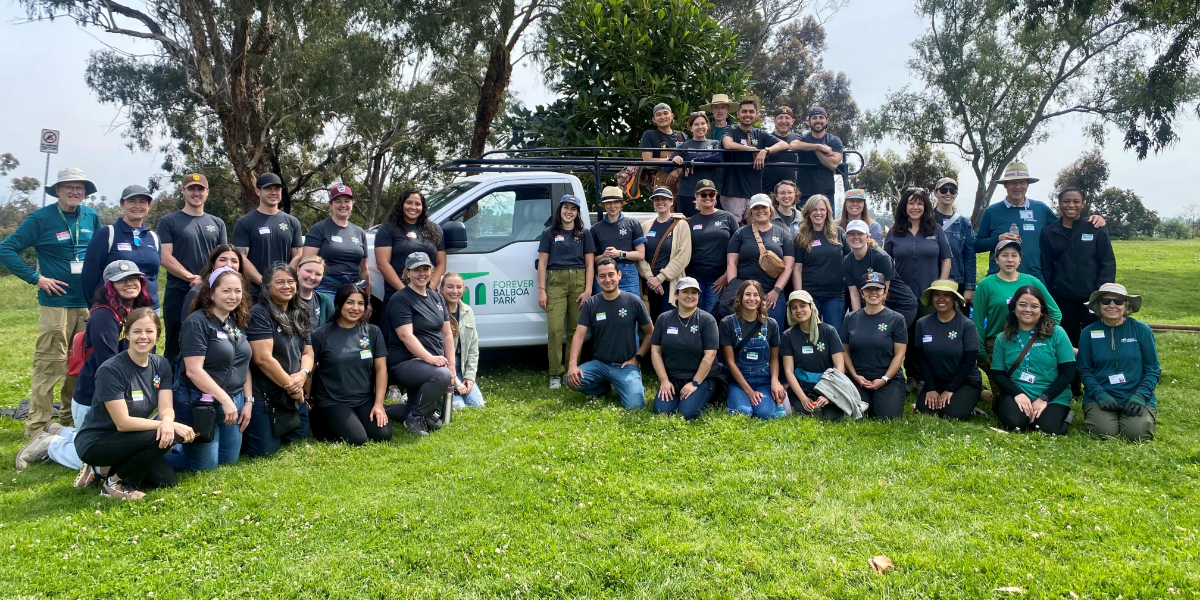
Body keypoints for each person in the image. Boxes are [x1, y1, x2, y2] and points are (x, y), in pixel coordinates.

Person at [16, 261, 152, 476]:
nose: (129, 283)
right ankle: (51, 445)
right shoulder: (104, 316)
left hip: (115, 392)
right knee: (106, 456)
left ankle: (61, 432)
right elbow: (110, 364)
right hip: (94, 398)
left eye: (133, 278)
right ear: (110, 285)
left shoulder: (135, 311)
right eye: (121, 280)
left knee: (119, 441)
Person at [0, 168, 103, 436]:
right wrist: (36, 278)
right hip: (56, 304)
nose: (74, 191)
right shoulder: (40, 218)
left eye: (79, 187)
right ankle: (37, 425)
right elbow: (6, 249)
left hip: (87, 304)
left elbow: (100, 252)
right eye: (68, 186)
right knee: (51, 363)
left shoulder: (91, 216)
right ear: (57, 190)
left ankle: (69, 416)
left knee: (79, 363)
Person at [73, 308, 193, 500]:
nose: (143, 337)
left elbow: (166, 408)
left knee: (166, 480)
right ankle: (115, 483)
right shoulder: (111, 370)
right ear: (126, 334)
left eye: (149, 331)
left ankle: (102, 470)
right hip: (98, 441)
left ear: (158, 335)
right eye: (137, 331)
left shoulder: (161, 365)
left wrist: (168, 421)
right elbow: (123, 423)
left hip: (131, 438)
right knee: (159, 436)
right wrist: (168, 425)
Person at [170, 266, 253, 471]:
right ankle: (135, 458)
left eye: (237, 291)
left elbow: (243, 363)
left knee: (227, 462)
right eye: (226, 290)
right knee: (204, 468)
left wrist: (248, 401)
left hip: (233, 401)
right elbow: (193, 370)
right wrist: (225, 400)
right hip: (199, 402)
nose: (233, 296)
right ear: (211, 293)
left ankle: (181, 446)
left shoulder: (236, 320)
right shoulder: (197, 322)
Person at [973, 161, 1106, 282]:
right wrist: (998, 239)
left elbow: (1065, 227)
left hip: (1035, 278)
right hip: (999, 278)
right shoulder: (992, 211)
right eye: (1013, 182)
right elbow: (977, 245)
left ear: (1027, 185)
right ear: (1005, 185)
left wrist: (1090, 220)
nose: (1017, 186)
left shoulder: (1040, 208)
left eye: (1022, 182)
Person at [973, 240, 1061, 400]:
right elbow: (977, 321)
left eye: (1014, 255)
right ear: (996, 259)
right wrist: (981, 353)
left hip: (1029, 342)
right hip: (997, 345)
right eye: (1004, 255)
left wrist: (1042, 334)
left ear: (1020, 259)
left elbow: (1055, 313)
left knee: (1029, 391)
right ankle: (983, 393)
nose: (1009, 260)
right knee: (1003, 398)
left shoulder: (1031, 282)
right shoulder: (986, 285)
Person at [308, 284, 392, 445]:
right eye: (350, 302)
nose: (355, 308)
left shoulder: (373, 332)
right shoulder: (320, 335)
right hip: (332, 400)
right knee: (358, 439)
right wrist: (307, 401)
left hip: (363, 399)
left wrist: (379, 404)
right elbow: (310, 369)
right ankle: (320, 421)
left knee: (382, 435)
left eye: (360, 303)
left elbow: (381, 369)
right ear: (339, 304)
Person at [383, 252, 455, 437]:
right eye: (416, 270)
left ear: (431, 271)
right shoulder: (401, 299)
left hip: (429, 364)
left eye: (425, 269)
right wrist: (430, 359)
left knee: (441, 377)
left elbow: (447, 333)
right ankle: (415, 417)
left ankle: (391, 410)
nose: (421, 274)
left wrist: (452, 366)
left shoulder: (437, 298)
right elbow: (406, 336)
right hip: (405, 362)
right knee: (441, 375)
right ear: (407, 272)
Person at [158, 173, 227, 367]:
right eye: (191, 189)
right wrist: (191, 277)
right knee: (175, 343)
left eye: (200, 189)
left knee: (210, 341)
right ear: (183, 191)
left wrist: (206, 280)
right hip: (178, 291)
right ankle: (170, 391)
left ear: (207, 192)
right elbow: (164, 256)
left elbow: (223, 258)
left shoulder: (217, 223)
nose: (196, 193)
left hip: (210, 292)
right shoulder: (169, 221)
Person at [566, 257, 654, 410]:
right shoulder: (591, 304)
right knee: (571, 381)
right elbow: (578, 336)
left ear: (619, 275)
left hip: (625, 365)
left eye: (611, 274)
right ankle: (604, 388)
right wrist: (572, 365)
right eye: (602, 276)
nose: (607, 279)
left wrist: (637, 358)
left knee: (635, 406)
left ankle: (623, 385)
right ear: (597, 279)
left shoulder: (633, 301)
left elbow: (650, 333)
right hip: (600, 364)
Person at [885, 187, 952, 387]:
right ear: (904, 206)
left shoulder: (935, 230)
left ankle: (926, 376)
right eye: (911, 203)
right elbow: (885, 262)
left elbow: (946, 259)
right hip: (901, 296)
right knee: (905, 335)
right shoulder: (894, 232)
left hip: (929, 294)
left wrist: (941, 286)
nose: (915, 207)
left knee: (927, 337)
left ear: (926, 206)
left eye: (920, 203)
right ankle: (907, 377)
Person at [245, 264, 313, 456]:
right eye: (280, 282)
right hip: (265, 392)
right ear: (267, 287)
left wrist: (303, 374)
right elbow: (262, 359)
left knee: (299, 437)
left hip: (292, 389)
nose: (287, 286)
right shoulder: (259, 313)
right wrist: (293, 386)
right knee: (265, 451)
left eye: (291, 281)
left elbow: (308, 352)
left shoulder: (301, 310)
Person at [1078, 284, 1160, 441]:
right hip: (1101, 396)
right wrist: (1100, 394)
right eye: (1106, 301)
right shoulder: (1088, 332)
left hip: (1135, 394)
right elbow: (1084, 370)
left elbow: (1153, 369)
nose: (1112, 305)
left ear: (1126, 305)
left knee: (1136, 435)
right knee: (1104, 433)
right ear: (1098, 305)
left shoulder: (1141, 330)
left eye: (1118, 301)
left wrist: (1141, 396)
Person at [990, 286, 1076, 435]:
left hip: (1052, 394)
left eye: (1034, 306)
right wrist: (1018, 394)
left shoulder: (1057, 333)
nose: (1027, 309)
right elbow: (998, 374)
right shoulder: (1003, 338)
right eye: (1022, 304)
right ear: (1013, 307)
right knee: (1013, 425)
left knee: (1049, 430)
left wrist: (1044, 397)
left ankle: (1065, 414)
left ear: (1041, 309)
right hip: (1019, 391)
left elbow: (1068, 372)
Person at [1040, 187, 1116, 348]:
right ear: (1059, 204)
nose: (1071, 205)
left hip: (1092, 297)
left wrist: (1101, 294)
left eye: (1076, 201)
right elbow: (1047, 267)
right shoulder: (1049, 232)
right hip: (1063, 297)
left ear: (1083, 204)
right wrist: (1052, 294)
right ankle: (1072, 371)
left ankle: (1095, 370)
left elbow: (1107, 263)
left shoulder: (1096, 229)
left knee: (1096, 336)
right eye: (1066, 201)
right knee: (1068, 338)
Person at [538, 194, 595, 390]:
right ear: (560, 210)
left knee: (575, 330)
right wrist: (542, 290)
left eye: (573, 208)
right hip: (555, 282)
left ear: (578, 212)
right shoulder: (549, 233)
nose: (569, 212)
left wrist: (588, 290)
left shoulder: (584, 234)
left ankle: (572, 369)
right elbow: (542, 264)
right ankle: (555, 372)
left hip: (579, 282)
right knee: (554, 329)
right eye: (566, 207)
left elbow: (590, 264)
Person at [839, 272, 908, 419]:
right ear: (862, 293)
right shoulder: (850, 318)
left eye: (877, 289)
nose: (873, 293)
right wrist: (855, 376)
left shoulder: (897, 319)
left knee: (887, 417)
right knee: (857, 416)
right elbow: (844, 351)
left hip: (888, 377)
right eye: (868, 289)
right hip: (859, 377)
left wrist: (884, 379)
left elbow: (900, 355)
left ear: (885, 292)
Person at [81, 185, 161, 309]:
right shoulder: (107, 234)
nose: (137, 206)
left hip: (148, 309)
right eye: (131, 201)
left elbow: (153, 275)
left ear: (149, 206)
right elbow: (88, 275)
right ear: (122, 204)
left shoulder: (154, 238)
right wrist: (94, 307)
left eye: (142, 202)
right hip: (113, 308)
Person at [650, 278, 718, 420]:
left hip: (700, 378)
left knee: (686, 414)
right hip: (672, 378)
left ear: (699, 296)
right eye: (685, 291)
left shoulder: (707, 320)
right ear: (676, 294)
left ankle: (701, 397)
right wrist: (664, 381)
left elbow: (709, 356)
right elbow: (655, 352)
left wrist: (694, 383)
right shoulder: (663, 319)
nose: (690, 296)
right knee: (661, 411)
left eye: (694, 292)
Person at [914, 280, 983, 421]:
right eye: (936, 294)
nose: (941, 299)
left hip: (965, 380)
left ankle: (974, 397)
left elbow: (969, 361)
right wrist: (931, 388)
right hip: (937, 380)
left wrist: (950, 389)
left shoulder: (967, 325)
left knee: (951, 414)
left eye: (946, 295)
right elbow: (921, 358)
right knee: (925, 410)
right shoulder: (922, 323)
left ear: (954, 299)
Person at [719, 280, 786, 419]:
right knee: (743, 412)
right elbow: (729, 362)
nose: (751, 298)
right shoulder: (727, 323)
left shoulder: (771, 324)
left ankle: (774, 404)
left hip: (763, 381)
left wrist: (775, 380)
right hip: (737, 381)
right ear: (740, 298)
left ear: (761, 299)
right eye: (747, 294)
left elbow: (774, 359)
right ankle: (738, 399)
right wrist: (749, 392)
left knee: (765, 414)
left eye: (756, 295)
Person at [726, 194, 795, 325]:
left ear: (770, 209)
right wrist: (735, 291)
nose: (760, 210)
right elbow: (731, 263)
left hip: (772, 295)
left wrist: (777, 290)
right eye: (756, 208)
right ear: (751, 211)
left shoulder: (783, 234)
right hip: (745, 294)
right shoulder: (741, 233)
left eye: (763, 207)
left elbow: (789, 266)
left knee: (773, 335)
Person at [232, 173, 303, 299]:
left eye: (277, 188)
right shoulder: (245, 222)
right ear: (258, 191)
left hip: (285, 291)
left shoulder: (292, 222)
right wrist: (264, 283)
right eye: (268, 188)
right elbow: (240, 257)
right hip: (255, 292)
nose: (273, 192)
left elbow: (298, 254)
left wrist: (284, 280)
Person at [780, 290, 846, 420]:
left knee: (831, 418)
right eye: (794, 307)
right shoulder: (788, 335)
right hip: (802, 387)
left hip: (827, 386)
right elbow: (789, 371)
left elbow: (840, 367)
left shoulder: (829, 331)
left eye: (803, 305)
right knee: (802, 414)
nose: (798, 310)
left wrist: (828, 394)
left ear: (811, 306)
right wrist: (803, 398)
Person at [720, 99, 788, 223]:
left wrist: (765, 150)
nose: (748, 114)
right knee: (733, 231)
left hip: (755, 194)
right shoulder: (730, 130)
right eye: (744, 111)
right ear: (738, 114)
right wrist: (750, 149)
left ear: (756, 114)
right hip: (733, 192)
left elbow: (784, 144)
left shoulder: (760, 133)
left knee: (757, 230)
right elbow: (728, 144)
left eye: (751, 111)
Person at [842, 220, 919, 327]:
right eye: (851, 234)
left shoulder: (880, 257)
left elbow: (883, 293)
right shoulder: (847, 261)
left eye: (860, 233)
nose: (856, 237)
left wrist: (875, 319)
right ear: (846, 238)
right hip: (876, 302)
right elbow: (854, 294)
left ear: (868, 236)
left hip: (901, 304)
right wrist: (859, 319)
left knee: (885, 339)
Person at [375, 189, 446, 305]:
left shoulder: (435, 230)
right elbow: (382, 264)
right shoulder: (387, 229)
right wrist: (405, 292)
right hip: (398, 296)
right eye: (409, 203)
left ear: (422, 207)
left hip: (428, 298)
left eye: (418, 204)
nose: (413, 207)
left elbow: (441, 263)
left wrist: (429, 291)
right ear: (401, 205)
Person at [792, 194, 849, 332]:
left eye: (822, 209)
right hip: (810, 297)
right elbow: (797, 269)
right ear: (808, 213)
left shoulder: (839, 233)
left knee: (835, 337)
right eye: (814, 209)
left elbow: (850, 261)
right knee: (810, 335)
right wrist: (800, 296)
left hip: (835, 295)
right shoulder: (801, 237)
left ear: (828, 212)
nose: (818, 213)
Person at [303, 183, 369, 296]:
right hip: (327, 285)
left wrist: (367, 298)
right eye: (338, 201)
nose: (343, 205)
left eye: (347, 201)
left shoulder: (359, 232)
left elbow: (364, 269)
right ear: (330, 205)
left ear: (352, 204)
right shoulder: (319, 229)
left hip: (354, 287)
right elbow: (306, 263)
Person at [638, 187, 692, 317]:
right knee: (650, 325)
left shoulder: (681, 225)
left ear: (671, 202)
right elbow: (640, 255)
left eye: (664, 199)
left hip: (670, 284)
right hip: (648, 284)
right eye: (657, 199)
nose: (660, 202)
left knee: (669, 324)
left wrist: (660, 278)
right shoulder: (645, 225)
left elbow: (683, 256)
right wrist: (650, 278)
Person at [687, 179, 739, 312]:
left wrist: (727, 275)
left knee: (711, 318)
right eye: (703, 195)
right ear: (696, 197)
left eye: (711, 194)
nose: (708, 197)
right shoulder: (691, 221)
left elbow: (738, 249)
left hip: (718, 280)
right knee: (694, 317)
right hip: (695, 279)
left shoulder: (728, 218)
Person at [590, 186, 646, 295]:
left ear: (621, 204)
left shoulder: (633, 224)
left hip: (628, 273)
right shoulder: (596, 229)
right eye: (608, 203)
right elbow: (592, 259)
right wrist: (605, 256)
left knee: (631, 308)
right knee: (604, 309)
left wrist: (619, 254)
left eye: (616, 202)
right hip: (604, 273)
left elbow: (641, 255)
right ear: (604, 205)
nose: (612, 206)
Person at [441, 273, 485, 409]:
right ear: (441, 289)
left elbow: (473, 348)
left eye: (459, 287)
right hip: (444, 370)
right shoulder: (437, 312)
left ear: (463, 289)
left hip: (462, 367)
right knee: (458, 407)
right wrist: (456, 384)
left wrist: (470, 378)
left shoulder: (468, 311)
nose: (455, 291)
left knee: (477, 405)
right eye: (450, 287)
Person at [669, 112, 724, 218]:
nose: (700, 127)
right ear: (691, 128)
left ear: (707, 126)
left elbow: (718, 158)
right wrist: (675, 160)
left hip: (709, 194)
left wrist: (694, 161)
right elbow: (666, 168)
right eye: (696, 124)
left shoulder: (714, 143)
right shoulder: (684, 146)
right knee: (687, 227)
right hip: (687, 193)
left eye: (703, 124)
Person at [932, 177, 976, 305]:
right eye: (944, 190)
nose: (948, 193)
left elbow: (969, 257)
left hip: (957, 282)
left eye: (952, 190)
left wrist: (969, 287)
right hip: (930, 281)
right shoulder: (926, 220)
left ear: (956, 194)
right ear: (936, 193)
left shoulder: (964, 223)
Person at [181, 245, 246, 325]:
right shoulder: (196, 291)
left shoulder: (242, 292)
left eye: (234, 261)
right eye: (223, 260)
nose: (229, 265)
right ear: (212, 264)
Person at [792, 107, 844, 204]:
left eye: (821, 117)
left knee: (827, 220)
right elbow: (793, 145)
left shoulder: (833, 140)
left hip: (826, 195)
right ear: (809, 121)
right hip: (803, 195)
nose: (818, 120)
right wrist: (818, 146)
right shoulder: (803, 137)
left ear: (826, 120)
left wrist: (815, 150)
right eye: (814, 118)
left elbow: (833, 165)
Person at [640, 103, 687, 195]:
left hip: (682, 182)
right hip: (661, 183)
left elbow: (688, 158)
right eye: (658, 115)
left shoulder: (682, 136)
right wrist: (671, 161)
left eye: (665, 113)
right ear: (654, 119)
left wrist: (677, 170)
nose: (662, 117)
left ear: (672, 116)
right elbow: (647, 160)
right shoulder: (649, 135)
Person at [762, 106, 803, 194]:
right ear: (774, 121)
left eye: (787, 118)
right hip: (768, 191)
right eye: (780, 118)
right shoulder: (766, 138)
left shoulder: (798, 139)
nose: (784, 121)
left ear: (792, 121)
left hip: (790, 193)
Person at [296, 255, 335, 327]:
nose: (312, 277)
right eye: (308, 271)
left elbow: (332, 330)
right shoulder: (285, 297)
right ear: (298, 270)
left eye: (318, 274)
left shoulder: (325, 301)